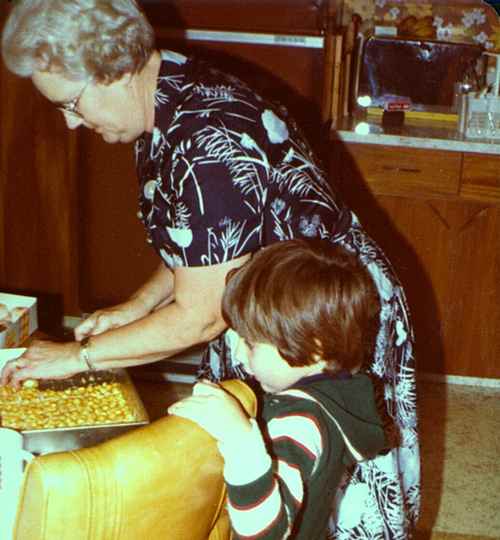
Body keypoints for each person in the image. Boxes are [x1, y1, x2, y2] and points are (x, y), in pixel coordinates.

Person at [0, 1, 419, 538]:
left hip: (317, 320)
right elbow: (198, 243)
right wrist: (139, 305)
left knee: (315, 490)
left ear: (117, 69)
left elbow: (201, 316)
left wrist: (77, 358)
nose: (69, 122)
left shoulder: (205, 143)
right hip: (274, 305)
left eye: (72, 104)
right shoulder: (165, 93)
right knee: (254, 479)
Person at [168, 239, 388, 540]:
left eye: (251, 343)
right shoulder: (339, 394)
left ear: (313, 349)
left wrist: (240, 438)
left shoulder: (297, 421)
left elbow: (265, 533)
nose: (240, 355)